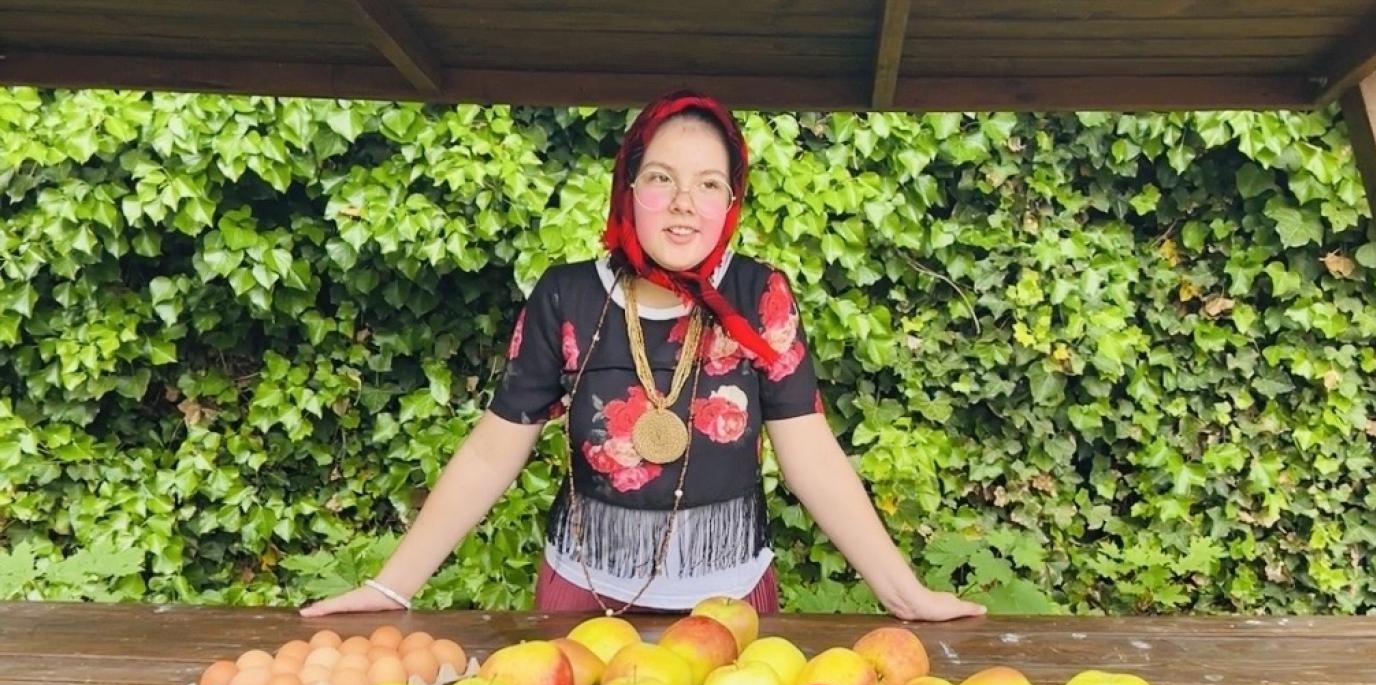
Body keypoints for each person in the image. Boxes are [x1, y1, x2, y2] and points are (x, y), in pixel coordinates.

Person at [300, 91, 985, 622]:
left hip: (731, 608)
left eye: (709, 184)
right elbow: (490, 453)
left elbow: (813, 457)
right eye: (661, 178)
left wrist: (905, 593)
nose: (685, 204)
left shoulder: (759, 295)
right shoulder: (568, 296)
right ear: (628, 187)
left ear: (732, 199)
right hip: (582, 602)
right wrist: (391, 587)